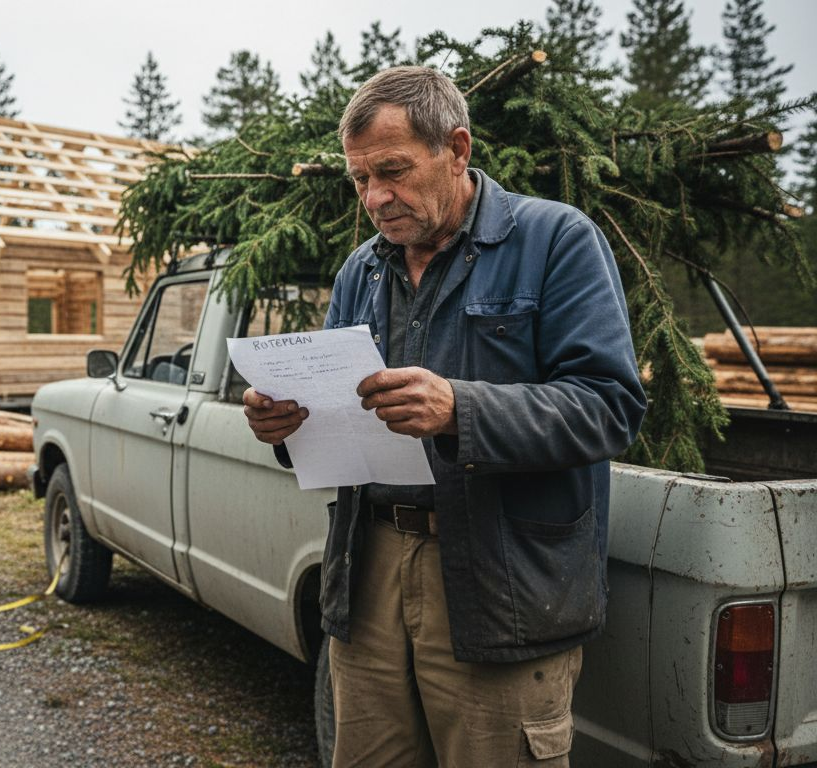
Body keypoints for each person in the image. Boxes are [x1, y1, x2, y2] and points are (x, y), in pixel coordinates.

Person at [242, 66, 646, 767]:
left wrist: (462, 408)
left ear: (456, 149)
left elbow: (608, 407)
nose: (376, 197)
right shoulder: (361, 272)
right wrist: (286, 425)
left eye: (392, 171)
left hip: (503, 582)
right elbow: (333, 421)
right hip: (365, 575)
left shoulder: (554, 241)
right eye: (361, 179)